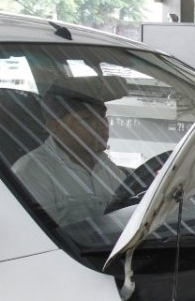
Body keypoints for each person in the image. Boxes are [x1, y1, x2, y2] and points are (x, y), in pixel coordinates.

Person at [13, 76, 128, 225]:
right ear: (55, 126)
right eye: (86, 120)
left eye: (102, 116)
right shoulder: (30, 173)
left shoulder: (108, 167)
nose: (101, 125)